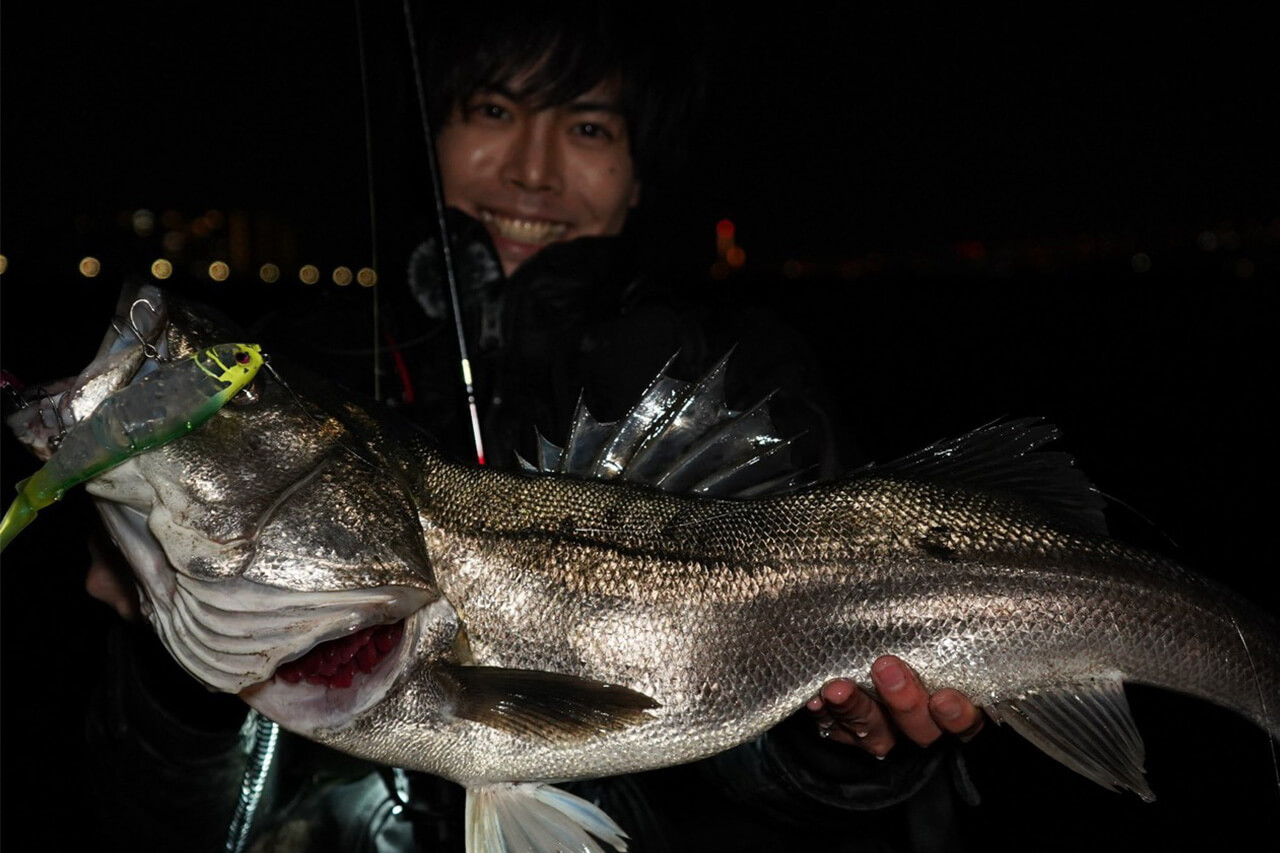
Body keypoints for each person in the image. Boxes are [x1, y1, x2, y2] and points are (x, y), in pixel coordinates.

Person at [83, 4, 984, 851]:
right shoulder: (304, 372)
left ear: (640, 174)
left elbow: (788, 787)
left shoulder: (738, 381)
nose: (533, 169)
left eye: (589, 128)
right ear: (431, 135)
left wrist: (842, 749)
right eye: (493, 109)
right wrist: (171, 666)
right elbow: (153, 809)